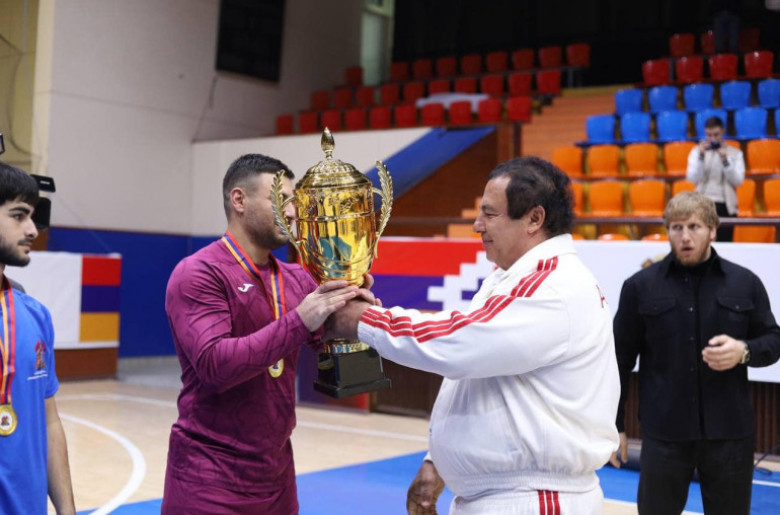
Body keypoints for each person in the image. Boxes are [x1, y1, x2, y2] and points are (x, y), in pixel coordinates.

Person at [325, 156, 620, 514]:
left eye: (490, 214)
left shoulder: (552, 286)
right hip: (509, 494)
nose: (478, 225)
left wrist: (363, 320)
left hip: (533, 499)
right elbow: (478, 371)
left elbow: (459, 346)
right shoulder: (511, 277)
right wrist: (437, 461)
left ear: (534, 219)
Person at [161, 154, 368, 514]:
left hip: (277, 478)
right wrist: (301, 320)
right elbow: (215, 367)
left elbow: (345, 370)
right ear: (239, 200)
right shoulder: (199, 272)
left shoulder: (298, 278)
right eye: (281, 200)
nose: (292, 212)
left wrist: (355, 314)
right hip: (209, 478)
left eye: (294, 202)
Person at [611, 191, 780, 515]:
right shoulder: (639, 287)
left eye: (694, 227)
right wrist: (613, 424)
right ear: (667, 231)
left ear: (712, 230)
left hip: (730, 435)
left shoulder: (745, 283)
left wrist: (744, 351)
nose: (685, 237)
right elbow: (618, 360)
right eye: (676, 228)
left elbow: (773, 340)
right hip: (664, 435)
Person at [0, 162, 75, 514]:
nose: (32, 229)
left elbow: (50, 422)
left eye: (32, 216)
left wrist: (67, 511)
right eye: (19, 216)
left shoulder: (35, 315)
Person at [686, 115, 745, 242]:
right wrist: (701, 157)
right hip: (701, 204)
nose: (712, 139)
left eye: (716, 135)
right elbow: (692, 178)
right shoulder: (697, 152)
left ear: (723, 131)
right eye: (709, 135)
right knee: (700, 243)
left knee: (724, 245)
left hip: (726, 206)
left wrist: (726, 161)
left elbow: (738, 181)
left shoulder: (735, 153)